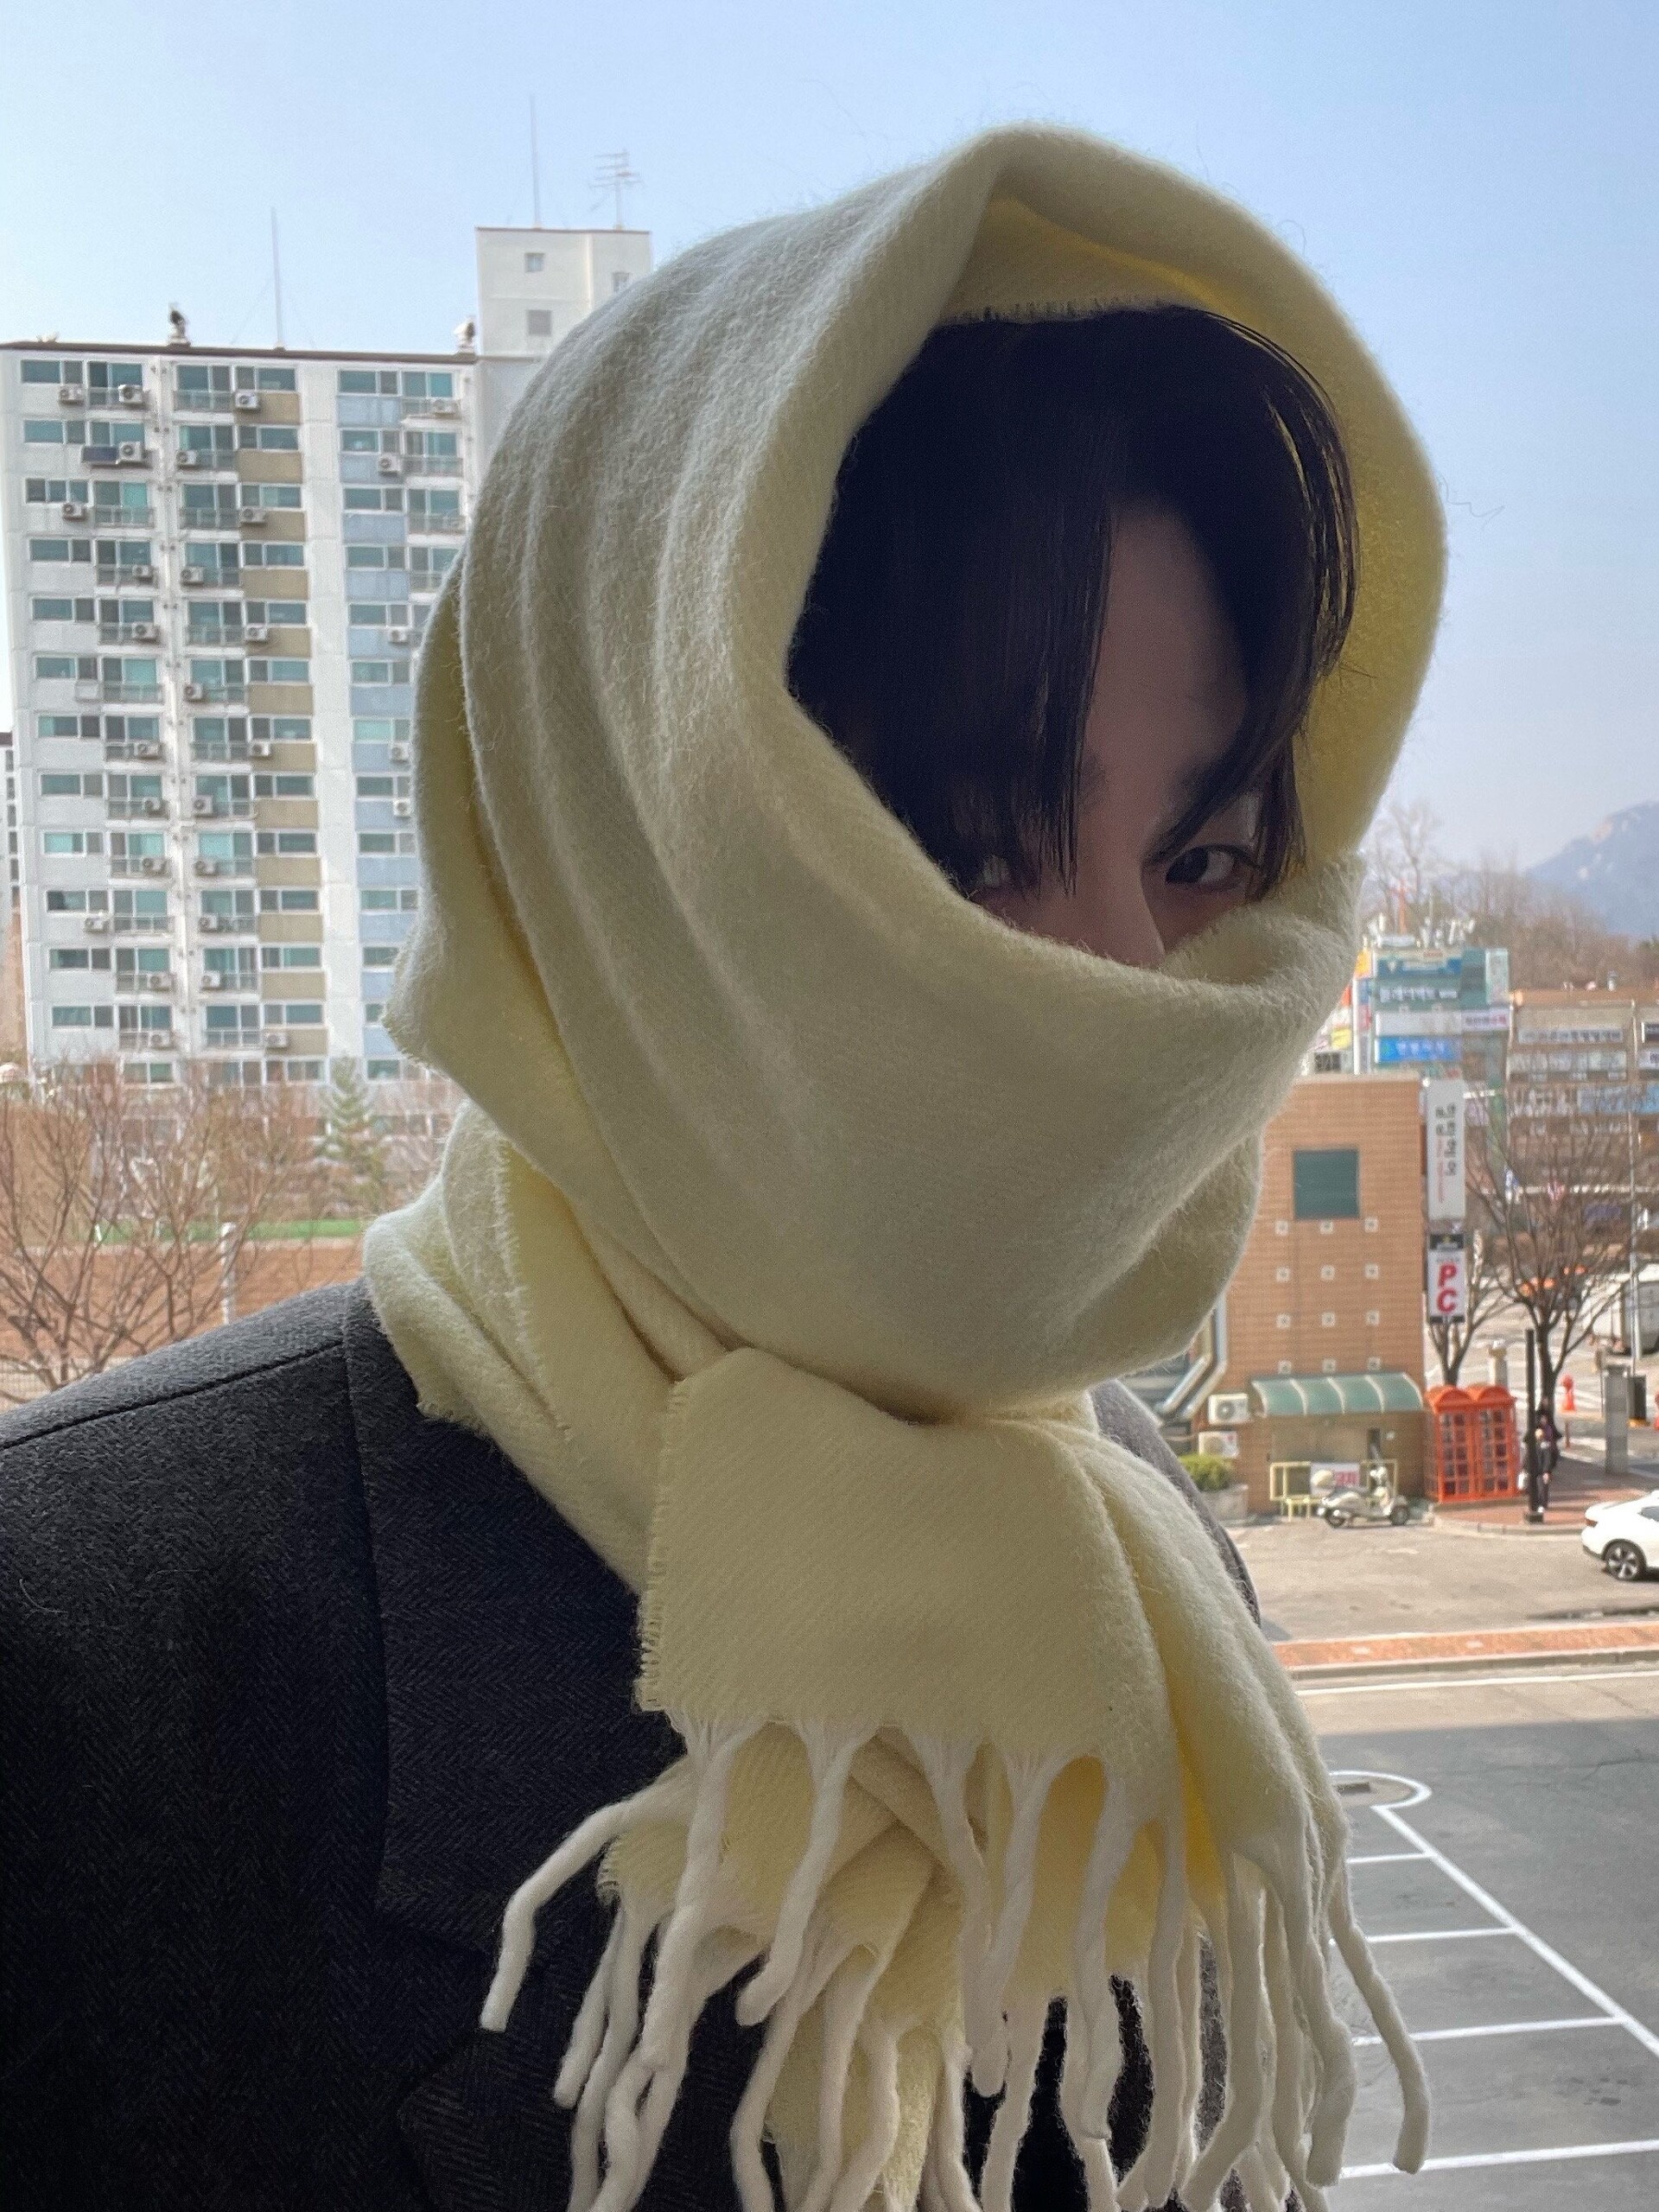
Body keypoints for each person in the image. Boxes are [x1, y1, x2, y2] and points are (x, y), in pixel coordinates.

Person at [0, 129, 1442, 2209]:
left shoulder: (1136, 1547)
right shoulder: (89, 1662)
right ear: (628, 841)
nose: (1129, 994)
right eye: (968, 845)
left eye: (1202, 854)